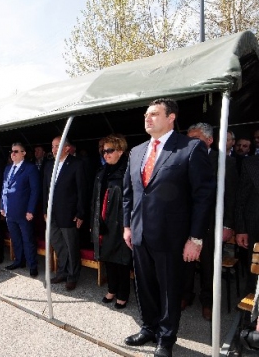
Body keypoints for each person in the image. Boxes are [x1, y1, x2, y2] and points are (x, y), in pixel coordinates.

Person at [122, 98, 214, 357]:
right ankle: (149, 327)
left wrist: (195, 238)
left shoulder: (190, 148)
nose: (147, 119)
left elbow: (203, 196)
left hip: (172, 237)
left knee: (169, 288)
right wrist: (127, 226)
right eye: (145, 115)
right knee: (145, 285)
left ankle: (166, 337)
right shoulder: (137, 151)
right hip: (139, 234)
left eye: (153, 114)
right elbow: (130, 194)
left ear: (171, 117)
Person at [183, 122, 238, 320]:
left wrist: (228, 225)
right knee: (185, 260)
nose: (190, 143)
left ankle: (208, 302)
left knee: (209, 264)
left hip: (212, 222)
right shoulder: (183, 159)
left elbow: (231, 196)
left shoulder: (224, 162)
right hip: (186, 220)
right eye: (188, 139)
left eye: (195, 139)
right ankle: (185, 295)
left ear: (209, 140)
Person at [90, 134, 131, 309]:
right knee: (108, 258)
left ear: (120, 151)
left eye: (110, 150)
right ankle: (112, 289)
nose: (106, 154)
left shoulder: (128, 171)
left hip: (120, 223)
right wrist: (95, 222)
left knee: (121, 260)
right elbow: (95, 199)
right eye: (104, 151)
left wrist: (127, 225)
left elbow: (133, 201)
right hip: (104, 221)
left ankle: (123, 294)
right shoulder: (102, 172)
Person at [43, 136, 87, 291]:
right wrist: (44, 210)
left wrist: (81, 213)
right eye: (53, 146)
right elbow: (45, 190)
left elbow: (82, 191)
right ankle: (62, 272)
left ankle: (73, 276)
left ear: (67, 148)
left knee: (71, 246)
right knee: (58, 244)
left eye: (57, 146)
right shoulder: (49, 165)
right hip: (52, 213)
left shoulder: (76, 164)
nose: (54, 150)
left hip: (69, 214)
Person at [1, 143, 40, 277]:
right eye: (11, 151)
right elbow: (4, 189)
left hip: (24, 212)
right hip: (10, 211)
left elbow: (35, 191)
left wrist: (31, 210)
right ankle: (19, 260)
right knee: (15, 238)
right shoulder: (7, 169)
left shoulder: (30, 168)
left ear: (23, 153)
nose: (13, 154)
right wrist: (2, 206)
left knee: (28, 239)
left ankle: (32, 265)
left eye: (16, 151)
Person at [235, 155, 259, 293]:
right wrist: (241, 229)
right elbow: (241, 197)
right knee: (254, 272)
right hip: (255, 227)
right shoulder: (251, 162)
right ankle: (251, 311)